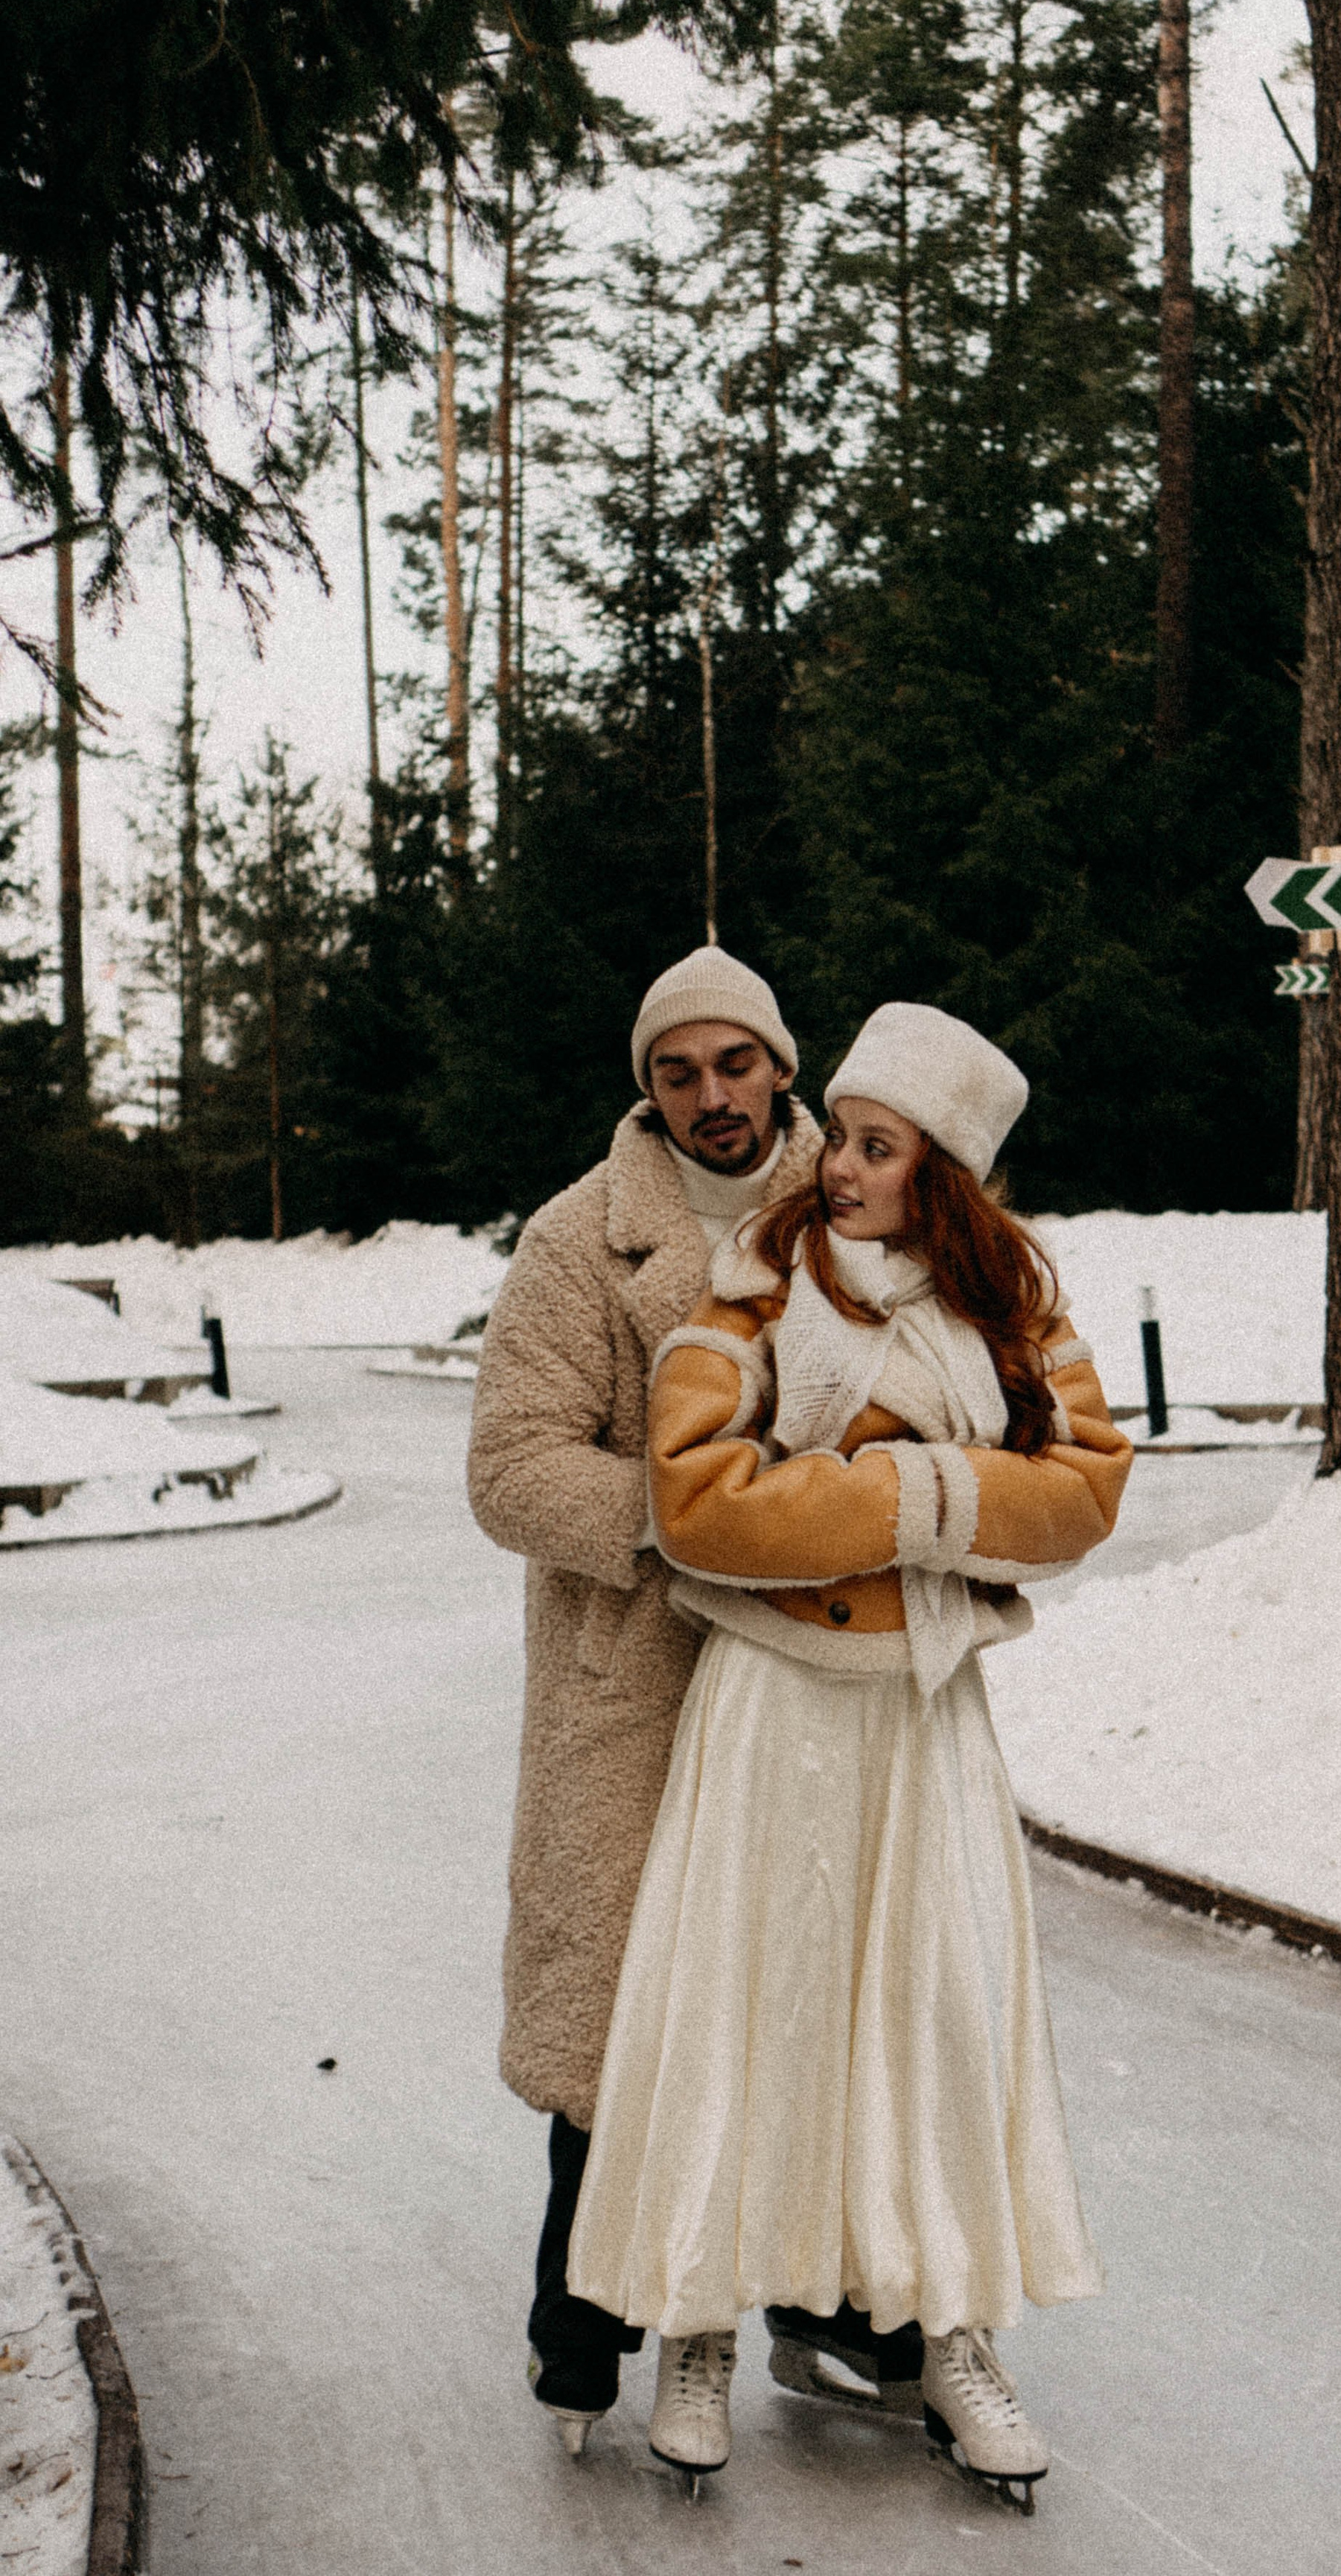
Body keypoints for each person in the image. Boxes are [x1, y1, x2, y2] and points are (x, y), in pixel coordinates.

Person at [567, 1002, 1133, 2510]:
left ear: (937, 1170)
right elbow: (698, 1500)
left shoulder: (1010, 1311)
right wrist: (921, 1505)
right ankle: (695, 2327)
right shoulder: (753, 1286)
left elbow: (1081, 1490)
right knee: (739, 2009)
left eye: (875, 1148)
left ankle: (951, 2336)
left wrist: (901, 1482)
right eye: (847, 1139)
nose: (839, 1168)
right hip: (767, 1705)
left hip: (923, 1716)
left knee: (936, 2023)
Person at [468, 943, 854, 2450]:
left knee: (822, 1993)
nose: (711, 1097)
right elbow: (510, 1469)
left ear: (781, 1065)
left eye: (735, 1064)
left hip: (818, 1664)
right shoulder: (579, 1239)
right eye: (677, 1072)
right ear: (649, 1088)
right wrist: (693, 1516)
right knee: (622, 2021)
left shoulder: (861, 1207)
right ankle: (583, 2337)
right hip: (633, 1675)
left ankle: (844, 2316)